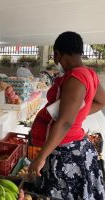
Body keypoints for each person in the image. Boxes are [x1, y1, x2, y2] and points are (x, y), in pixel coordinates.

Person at [28, 32, 105, 199]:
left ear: (57, 54)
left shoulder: (75, 77)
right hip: (73, 147)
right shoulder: (89, 74)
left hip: (66, 153)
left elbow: (64, 123)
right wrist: (76, 115)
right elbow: (101, 101)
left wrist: (41, 157)